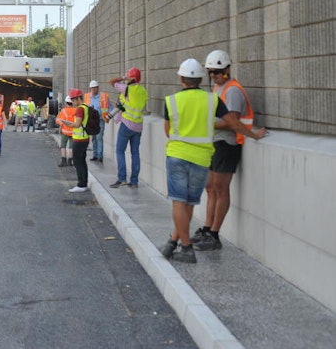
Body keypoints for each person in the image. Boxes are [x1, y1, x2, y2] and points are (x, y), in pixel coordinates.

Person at [159, 58, 250, 263]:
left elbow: (168, 131)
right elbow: (233, 122)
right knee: (190, 202)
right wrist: (253, 134)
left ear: (181, 78)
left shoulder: (171, 101)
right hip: (202, 157)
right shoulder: (212, 99)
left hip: (178, 155)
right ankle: (173, 242)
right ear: (201, 78)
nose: (215, 75)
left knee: (179, 202)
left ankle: (186, 247)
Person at [191, 50, 268, 251]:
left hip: (227, 145)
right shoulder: (219, 88)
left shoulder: (232, 90)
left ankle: (214, 235)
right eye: (210, 72)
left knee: (220, 189)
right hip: (215, 143)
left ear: (227, 69)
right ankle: (207, 229)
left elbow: (231, 122)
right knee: (210, 188)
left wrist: (207, 124)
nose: (214, 76)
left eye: (217, 72)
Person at [109, 67, 148, 189]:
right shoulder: (143, 90)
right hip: (138, 126)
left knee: (119, 151)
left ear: (131, 78)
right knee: (135, 153)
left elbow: (111, 81)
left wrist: (124, 77)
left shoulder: (126, 88)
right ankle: (134, 181)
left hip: (126, 125)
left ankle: (122, 178)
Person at [67, 89, 90, 192]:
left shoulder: (80, 109)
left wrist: (67, 124)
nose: (73, 103)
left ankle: (81, 185)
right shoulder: (86, 107)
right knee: (82, 161)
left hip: (79, 140)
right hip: (85, 138)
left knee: (77, 162)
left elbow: (77, 124)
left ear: (77, 99)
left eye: (73, 100)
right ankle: (84, 183)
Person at [85, 80, 109, 163]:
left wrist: (109, 116)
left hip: (100, 120)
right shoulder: (87, 97)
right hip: (92, 121)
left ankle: (100, 156)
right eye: (92, 88)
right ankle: (95, 155)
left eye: (95, 88)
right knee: (94, 138)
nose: (94, 89)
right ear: (90, 89)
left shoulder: (103, 96)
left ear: (98, 88)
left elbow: (109, 106)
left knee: (99, 137)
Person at [56, 95, 77, 167]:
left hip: (65, 131)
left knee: (63, 146)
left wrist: (61, 126)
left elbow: (58, 120)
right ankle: (70, 161)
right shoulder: (76, 110)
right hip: (74, 132)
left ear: (66, 103)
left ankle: (63, 161)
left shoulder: (63, 111)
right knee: (71, 147)